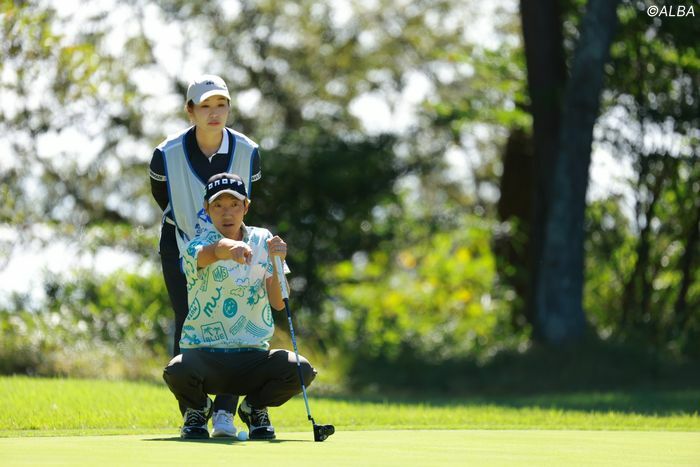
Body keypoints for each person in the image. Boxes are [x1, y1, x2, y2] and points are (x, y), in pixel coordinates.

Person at [162, 173, 317, 440]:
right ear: (207, 209)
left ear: (246, 207)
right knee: (176, 370)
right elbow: (212, 252)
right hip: (205, 355)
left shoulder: (263, 239)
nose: (227, 213)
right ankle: (199, 408)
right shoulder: (195, 243)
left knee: (300, 370)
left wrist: (278, 262)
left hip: (252, 357)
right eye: (218, 205)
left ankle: (253, 408)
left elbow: (279, 303)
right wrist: (230, 247)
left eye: (234, 205)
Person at [149, 74, 261, 437]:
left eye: (221, 105)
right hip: (180, 246)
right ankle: (195, 409)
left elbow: (247, 199)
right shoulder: (165, 153)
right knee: (187, 322)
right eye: (206, 106)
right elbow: (163, 198)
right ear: (190, 110)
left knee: (233, 320)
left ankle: (226, 411)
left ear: (229, 108)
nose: (214, 114)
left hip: (234, 245)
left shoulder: (248, 150)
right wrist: (197, 237)